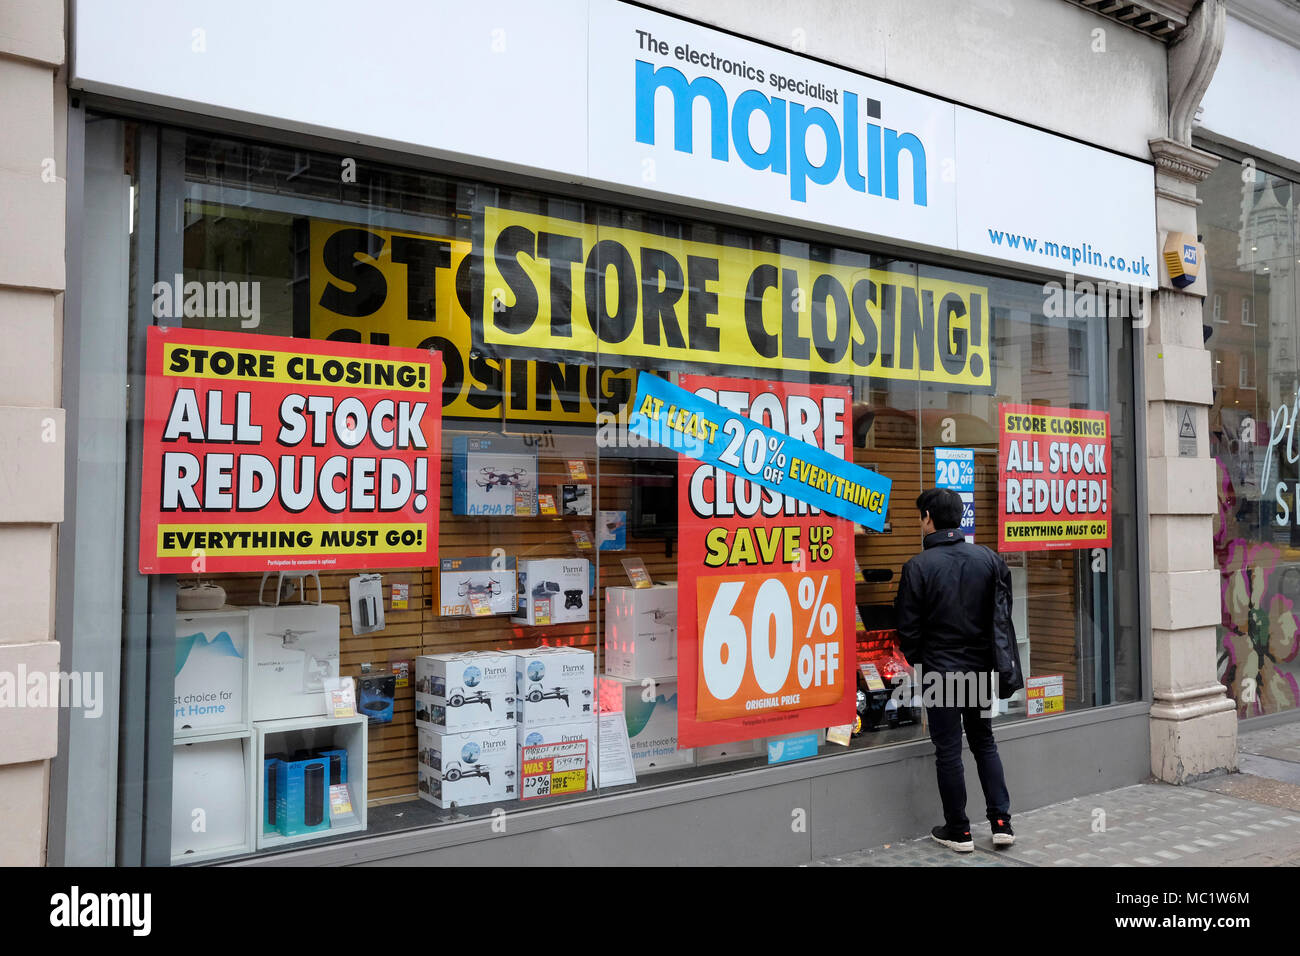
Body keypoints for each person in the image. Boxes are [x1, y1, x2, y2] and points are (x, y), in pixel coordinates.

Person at [894, 487, 1015, 853]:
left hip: (940, 672)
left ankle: (959, 831)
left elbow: (908, 630)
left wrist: (921, 662)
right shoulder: (988, 560)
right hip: (978, 669)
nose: (920, 523)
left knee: (948, 749)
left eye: (920, 517)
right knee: (983, 742)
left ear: (928, 517)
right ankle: (1001, 823)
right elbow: (1002, 617)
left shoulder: (918, 567)